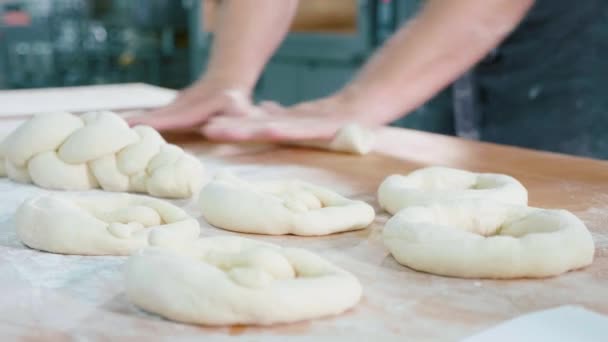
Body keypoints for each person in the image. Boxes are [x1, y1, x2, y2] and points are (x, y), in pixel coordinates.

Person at [129, 0, 608, 159]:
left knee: (559, 194)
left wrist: (360, 100)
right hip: (435, 29)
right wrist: (227, 78)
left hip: (569, 41)